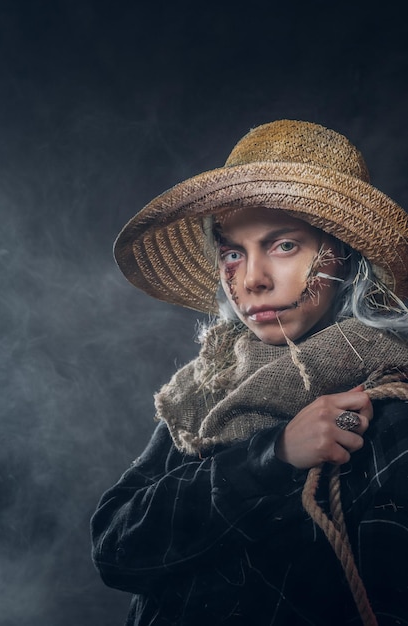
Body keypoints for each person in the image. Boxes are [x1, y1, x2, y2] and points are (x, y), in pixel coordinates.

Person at [91, 120, 408, 625]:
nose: (253, 279)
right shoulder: (206, 393)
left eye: (284, 245)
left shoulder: (389, 409)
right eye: (233, 252)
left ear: (345, 257)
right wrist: (275, 454)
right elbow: (115, 548)